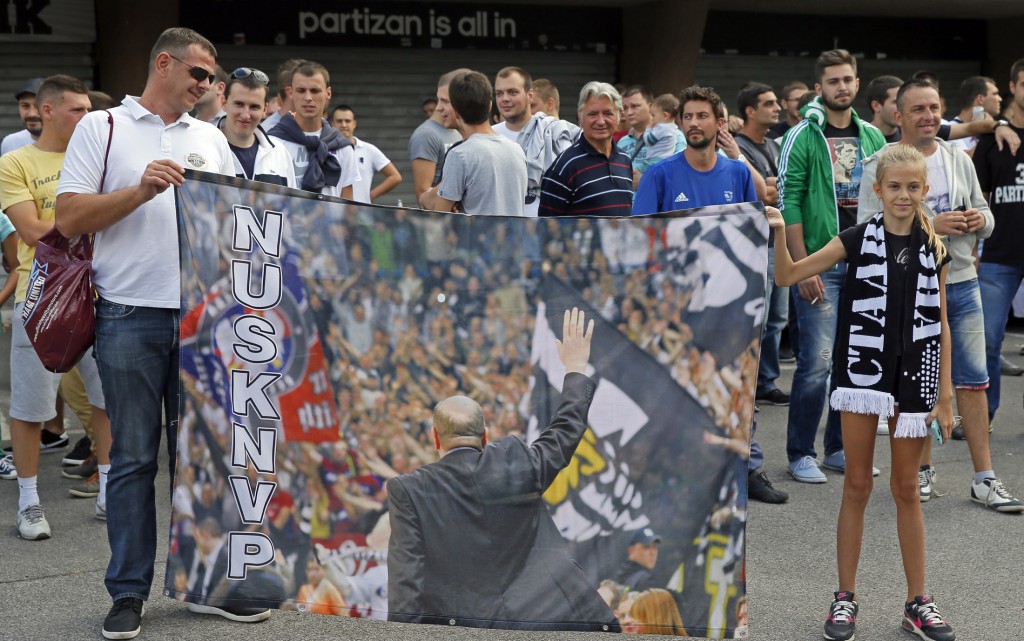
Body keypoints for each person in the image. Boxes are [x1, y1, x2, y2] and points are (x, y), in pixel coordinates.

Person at [54, 27, 268, 639]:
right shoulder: (104, 127)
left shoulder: (210, 137)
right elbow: (68, 218)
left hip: (204, 317)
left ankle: (208, 587)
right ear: (165, 64)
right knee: (131, 460)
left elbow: (238, 222)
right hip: (128, 313)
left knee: (203, 460)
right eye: (200, 73)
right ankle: (127, 592)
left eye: (212, 77)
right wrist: (141, 189)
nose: (208, 85)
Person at [769, 144, 957, 641]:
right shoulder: (854, 238)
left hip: (916, 379)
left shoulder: (935, 247)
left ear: (925, 190)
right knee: (856, 484)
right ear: (877, 190)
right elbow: (787, 275)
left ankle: (918, 602)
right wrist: (778, 231)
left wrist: (945, 396)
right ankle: (845, 598)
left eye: (912, 186)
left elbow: (941, 323)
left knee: (906, 489)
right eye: (894, 186)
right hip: (861, 377)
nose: (903, 195)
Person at [386, 308, 619, 631]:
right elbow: (565, 431)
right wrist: (575, 367)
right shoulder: (514, 460)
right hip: (552, 623)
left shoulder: (409, 491)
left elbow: (406, 584)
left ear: (435, 438)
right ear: (485, 436)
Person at [859, 79, 1023, 514]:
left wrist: (978, 221)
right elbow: (868, 231)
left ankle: (984, 478)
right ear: (899, 116)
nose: (929, 116)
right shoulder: (878, 164)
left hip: (963, 281)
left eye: (934, 107)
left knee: (974, 380)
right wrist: (933, 226)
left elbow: (986, 214)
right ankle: (922, 470)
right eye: (918, 109)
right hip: (909, 289)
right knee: (916, 382)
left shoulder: (957, 158)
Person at [0, 74, 113, 538]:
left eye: (89, 109)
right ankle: (29, 502)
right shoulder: (15, 162)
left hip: (102, 293)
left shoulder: (101, 157)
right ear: (47, 111)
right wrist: (91, 214)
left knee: (106, 401)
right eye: (77, 110)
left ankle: (108, 491)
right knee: (31, 407)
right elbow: (32, 232)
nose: (88, 118)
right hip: (40, 297)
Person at [776, 49, 887, 484]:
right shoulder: (803, 134)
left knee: (854, 361)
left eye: (847, 79)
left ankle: (839, 449)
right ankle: (800, 452)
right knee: (817, 363)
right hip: (820, 262)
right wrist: (803, 266)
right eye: (833, 81)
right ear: (819, 87)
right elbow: (788, 200)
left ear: (857, 83)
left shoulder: (873, 137)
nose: (842, 87)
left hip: (866, 264)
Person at [974, 57, 1024, 430]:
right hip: (998, 256)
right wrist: (973, 250)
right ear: (1013, 86)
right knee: (988, 339)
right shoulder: (992, 140)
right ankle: (983, 415)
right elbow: (978, 200)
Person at [734, 82, 789, 409]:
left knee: (778, 318)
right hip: (755, 245)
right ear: (750, 111)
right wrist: (770, 186)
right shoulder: (737, 147)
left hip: (778, 243)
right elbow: (764, 193)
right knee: (760, 318)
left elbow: (783, 188)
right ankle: (749, 384)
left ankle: (766, 382)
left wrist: (772, 187)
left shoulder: (772, 145)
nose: (777, 108)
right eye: (769, 103)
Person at [633, 85, 756, 216]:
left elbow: (752, 225)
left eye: (702, 116)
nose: (693, 123)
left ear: (719, 124)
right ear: (681, 124)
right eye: (687, 117)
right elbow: (640, 228)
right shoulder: (656, 175)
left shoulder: (740, 173)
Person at [418, 70, 527, 217]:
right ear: (490, 106)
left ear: (456, 112)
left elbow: (439, 216)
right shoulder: (517, 149)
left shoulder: (459, 155)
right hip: (513, 232)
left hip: (476, 233)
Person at [492, 66, 579, 216]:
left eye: (513, 92)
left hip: (549, 225)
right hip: (499, 226)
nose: (505, 98)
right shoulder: (490, 135)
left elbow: (573, 183)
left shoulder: (553, 133)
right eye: (499, 93)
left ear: (530, 95)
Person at [266, 60, 359, 198]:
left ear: (328, 93)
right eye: (301, 90)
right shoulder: (272, 143)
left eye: (315, 91)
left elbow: (348, 204)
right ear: (290, 92)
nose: (308, 98)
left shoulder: (342, 146)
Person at [539, 82, 633, 217]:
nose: (601, 121)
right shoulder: (564, 166)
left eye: (608, 113)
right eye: (593, 114)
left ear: (618, 116)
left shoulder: (625, 160)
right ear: (580, 117)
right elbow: (547, 224)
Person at [216, 67, 297, 187]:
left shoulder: (279, 153)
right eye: (239, 104)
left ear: (265, 109)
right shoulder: (206, 147)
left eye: (254, 107)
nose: (245, 115)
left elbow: (290, 199)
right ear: (224, 103)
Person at [408, 69, 466, 201]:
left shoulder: (457, 128)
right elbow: (423, 194)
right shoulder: (426, 135)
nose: (439, 107)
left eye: (445, 101)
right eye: (441, 100)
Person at [330, 104, 402, 204]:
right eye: (339, 121)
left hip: (362, 210)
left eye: (347, 121)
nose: (344, 125)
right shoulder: (325, 149)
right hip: (333, 209)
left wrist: (369, 196)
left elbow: (395, 176)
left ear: (354, 123)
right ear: (332, 124)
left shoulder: (368, 149)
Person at [950, 76, 1003, 156]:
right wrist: (987, 128)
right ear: (980, 99)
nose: (1000, 99)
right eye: (995, 94)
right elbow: (965, 160)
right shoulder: (950, 129)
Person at [636, 94, 683, 174]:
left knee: (634, 171)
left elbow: (649, 141)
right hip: (665, 160)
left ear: (665, 115)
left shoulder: (662, 128)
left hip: (654, 160)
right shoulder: (673, 128)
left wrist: (648, 128)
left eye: (653, 115)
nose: (651, 119)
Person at [1, 77, 43, 155]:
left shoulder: (66, 144)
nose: (32, 114)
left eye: (38, 106)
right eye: (25, 106)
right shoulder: (10, 143)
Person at [866, 75, 903, 143]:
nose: (903, 107)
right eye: (896, 102)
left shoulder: (911, 140)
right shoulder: (860, 141)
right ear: (876, 106)